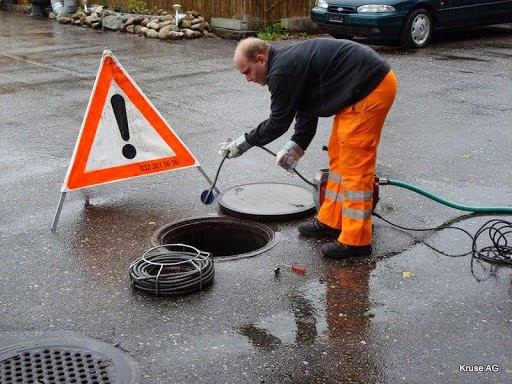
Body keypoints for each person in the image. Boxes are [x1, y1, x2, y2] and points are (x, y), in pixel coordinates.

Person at [218, 37, 397, 259]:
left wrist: (242, 143)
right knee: (339, 156)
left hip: (371, 89)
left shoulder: (281, 72)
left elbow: (278, 123)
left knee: (355, 168)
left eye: (247, 71)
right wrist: (296, 147)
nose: (247, 79)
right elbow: (307, 107)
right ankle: (332, 220)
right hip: (357, 90)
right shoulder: (286, 65)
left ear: (261, 59)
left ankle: (357, 241)